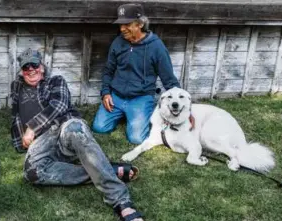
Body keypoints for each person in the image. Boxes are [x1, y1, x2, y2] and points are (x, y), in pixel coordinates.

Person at [10, 48, 143, 221]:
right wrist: (20, 140)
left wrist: (31, 128)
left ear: (42, 67)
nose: (31, 69)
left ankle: (121, 201)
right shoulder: (17, 87)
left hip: (64, 125)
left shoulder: (55, 81)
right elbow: (16, 116)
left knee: (76, 131)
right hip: (41, 140)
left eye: (34, 65)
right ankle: (107, 169)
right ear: (21, 71)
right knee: (32, 172)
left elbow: (59, 105)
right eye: (26, 67)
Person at [92, 3, 181, 144]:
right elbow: (108, 70)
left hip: (141, 97)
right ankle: (126, 114)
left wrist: (182, 108)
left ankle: (140, 112)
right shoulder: (117, 42)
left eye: (127, 24)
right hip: (117, 96)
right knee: (99, 128)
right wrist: (106, 93)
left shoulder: (156, 47)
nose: (122, 29)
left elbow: (169, 80)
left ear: (140, 24)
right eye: (120, 25)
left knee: (136, 138)